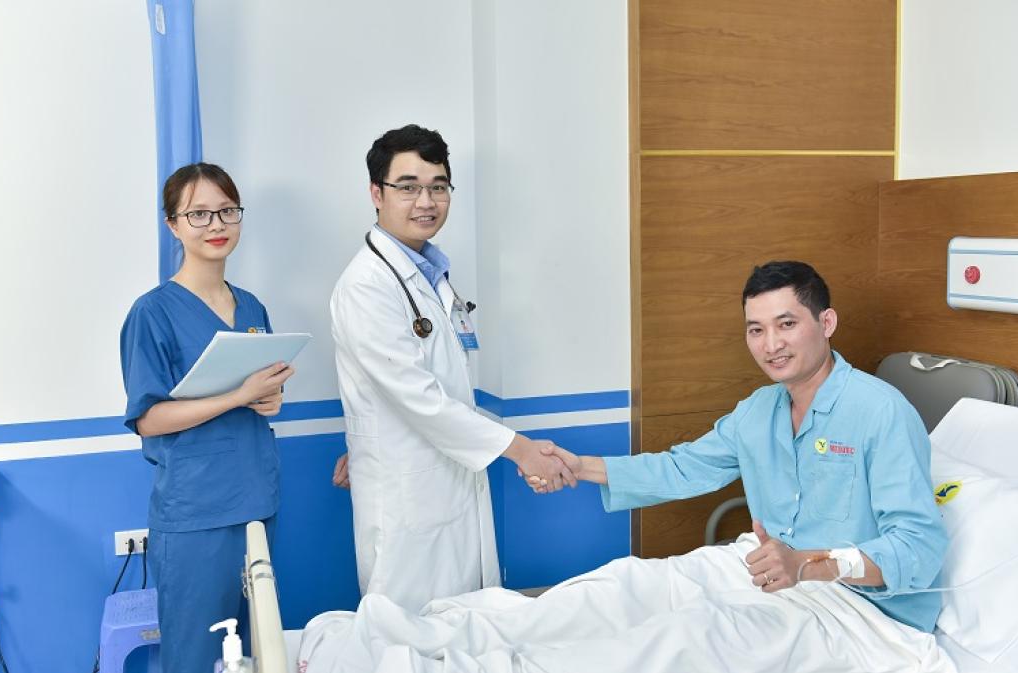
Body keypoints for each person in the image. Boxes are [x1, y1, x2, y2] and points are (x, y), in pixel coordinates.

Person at [534, 260, 948, 632]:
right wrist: (580, 467)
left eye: (787, 324)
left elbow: (918, 547)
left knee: (678, 640)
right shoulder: (758, 410)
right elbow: (683, 468)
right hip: (768, 575)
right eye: (756, 330)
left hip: (857, 608)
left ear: (826, 323)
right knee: (616, 589)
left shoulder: (881, 411)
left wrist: (807, 564)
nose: (771, 345)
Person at [328, 124, 575, 612]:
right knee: (410, 631)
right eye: (408, 187)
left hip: (448, 481)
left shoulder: (430, 273)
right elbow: (417, 397)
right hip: (408, 504)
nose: (426, 201)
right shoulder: (367, 285)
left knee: (466, 625)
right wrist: (522, 450)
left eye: (438, 187)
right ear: (377, 194)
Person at [120, 163, 295, 673]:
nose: (216, 224)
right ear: (173, 225)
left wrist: (268, 399)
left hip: (257, 498)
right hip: (196, 512)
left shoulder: (252, 307)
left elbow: (264, 392)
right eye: (198, 214)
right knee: (196, 655)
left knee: (258, 649)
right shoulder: (152, 313)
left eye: (227, 211)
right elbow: (149, 419)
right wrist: (238, 396)